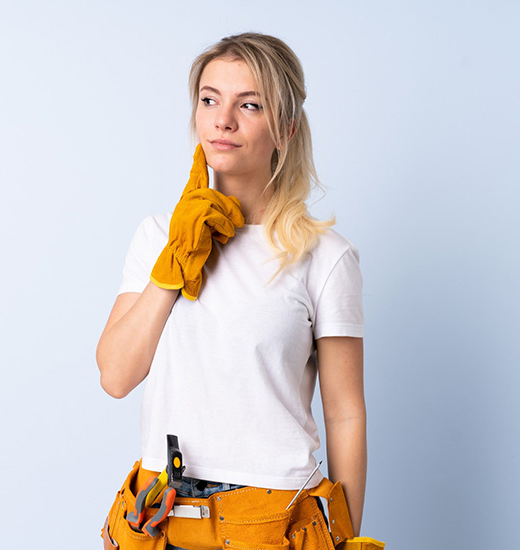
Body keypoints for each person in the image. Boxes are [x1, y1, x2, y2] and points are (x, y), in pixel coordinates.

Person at [97, 32, 384, 550]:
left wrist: (346, 536)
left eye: (249, 104)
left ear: (286, 127)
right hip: (160, 519)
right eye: (209, 100)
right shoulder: (158, 237)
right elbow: (116, 377)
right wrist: (173, 265)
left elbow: (345, 414)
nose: (222, 120)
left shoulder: (324, 256)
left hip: (271, 523)